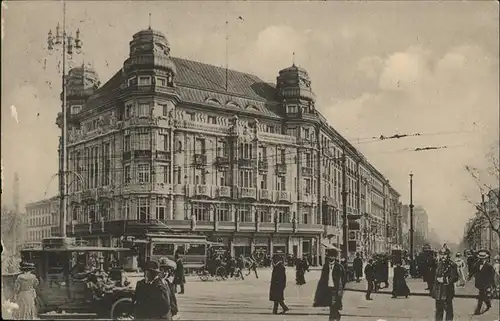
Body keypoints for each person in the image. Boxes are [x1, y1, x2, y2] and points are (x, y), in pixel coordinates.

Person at [313, 247, 346, 321]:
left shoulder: (339, 267)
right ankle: (337, 315)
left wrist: (341, 288)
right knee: (331, 305)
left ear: (335, 257)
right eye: (330, 256)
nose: (331, 257)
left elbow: (344, 279)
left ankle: (331, 319)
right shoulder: (325, 266)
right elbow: (322, 278)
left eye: (333, 256)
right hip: (327, 288)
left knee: (333, 304)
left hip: (335, 289)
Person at [433, 247, 458, 321]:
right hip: (439, 292)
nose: (443, 256)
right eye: (441, 254)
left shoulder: (452, 265)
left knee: (449, 311)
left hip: (447, 291)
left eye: (445, 254)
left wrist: (444, 280)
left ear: (448, 255)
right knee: (438, 311)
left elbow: (455, 277)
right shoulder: (438, 264)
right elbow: (436, 277)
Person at [470, 250, 495, 315]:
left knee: (481, 295)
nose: (481, 259)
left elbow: (491, 276)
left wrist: (491, 285)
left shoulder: (489, 266)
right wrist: (470, 276)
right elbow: (473, 271)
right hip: (479, 282)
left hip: (486, 283)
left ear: (486, 258)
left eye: (483, 258)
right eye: (480, 258)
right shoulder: (477, 264)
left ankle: (478, 310)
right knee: (483, 295)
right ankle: (488, 303)